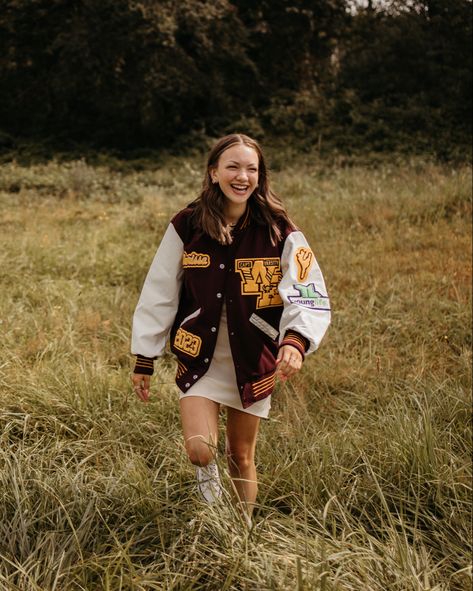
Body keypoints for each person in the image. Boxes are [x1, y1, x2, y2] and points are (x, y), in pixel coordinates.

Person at [131, 133, 330, 524]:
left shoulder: (280, 231)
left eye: (251, 168)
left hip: (253, 359)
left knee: (241, 455)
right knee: (201, 450)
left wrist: (295, 340)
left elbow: (308, 290)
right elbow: (159, 290)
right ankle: (211, 507)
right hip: (199, 357)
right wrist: (144, 357)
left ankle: (240, 534)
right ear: (214, 172)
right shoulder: (187, 225)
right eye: (233, 167)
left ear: (260, 176)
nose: (242, 176)